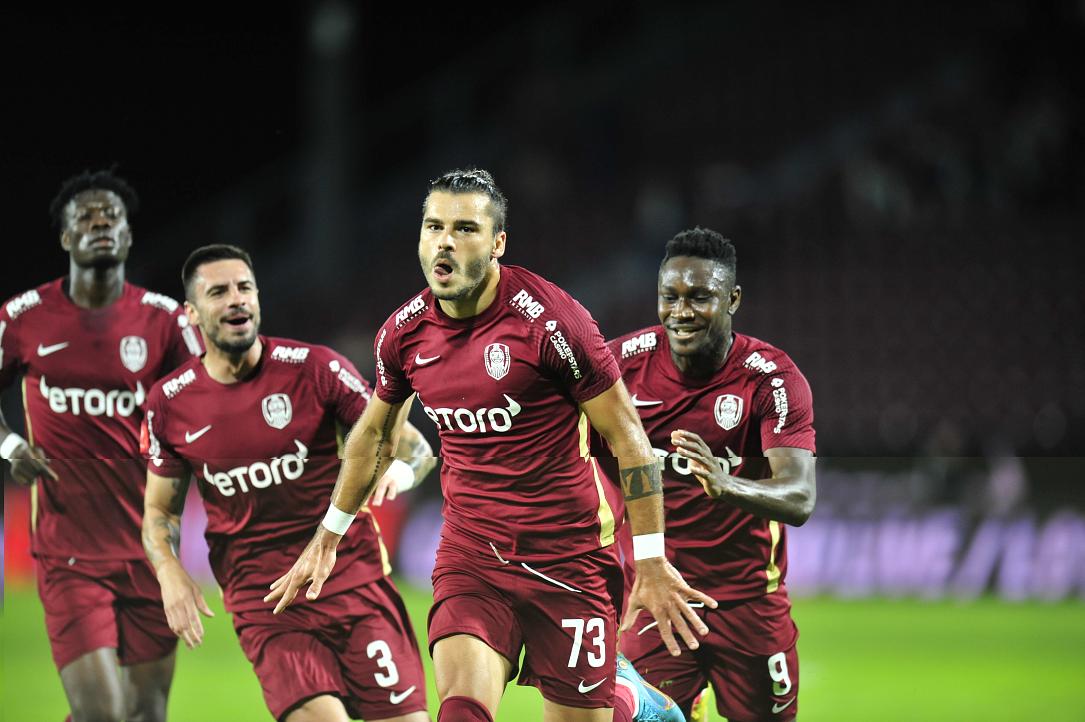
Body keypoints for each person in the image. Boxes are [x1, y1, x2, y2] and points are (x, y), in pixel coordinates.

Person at [266, 169, 717, 722]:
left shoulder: (552, 322)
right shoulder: (403, 334)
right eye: (434, 227)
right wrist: (328, 535)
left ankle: (639, 700)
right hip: (473, 556)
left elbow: (630, 441)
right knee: (461, 712)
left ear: (497, 242)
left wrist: (650, 560)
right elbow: (375, 436)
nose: (445, 242)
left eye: (465, 228)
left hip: (569, 558)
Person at [141, 244, 435, 722]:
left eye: (244, 288)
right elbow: (159, 511)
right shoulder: (169, 405)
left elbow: (416, 449)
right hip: (268, 607)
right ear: (191, 313)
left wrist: (399, 475)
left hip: (355, 586)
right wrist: (168, 570)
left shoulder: (315, 370)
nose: (236, 299)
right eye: (218, 292)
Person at [0, 169, 202, 721]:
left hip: (152, 549)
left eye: (111, 216)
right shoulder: (23, 318)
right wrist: (11, 447)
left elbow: (209, 400)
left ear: (129, 235)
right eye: (85, 218)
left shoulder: (165, 321)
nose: (100, 224)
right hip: (69, 553)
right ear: (66, 237)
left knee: (146, 714)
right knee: (103, 716)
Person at [606, 228, 816, 722]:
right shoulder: (621, 367)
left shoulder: (771, 379)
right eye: (670, 297)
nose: (681, 312)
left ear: (732, 300)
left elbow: (800, 496)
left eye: (699, 297)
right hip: (659, 593)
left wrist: (726, 485)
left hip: (748, 602)